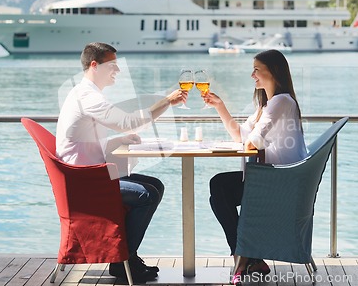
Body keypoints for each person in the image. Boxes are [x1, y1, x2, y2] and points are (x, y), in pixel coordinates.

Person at [56, 42, 188, 283]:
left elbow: (84, 143)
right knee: (145, 195)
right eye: (113, 66)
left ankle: (126, 256)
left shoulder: (86, 93)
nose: (117, 70)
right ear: (94, 66)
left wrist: (119, 140)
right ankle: (122, 259)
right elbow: (128, 121)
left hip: (88, 173)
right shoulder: (88, 96)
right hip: (85, 181)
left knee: (155, 186)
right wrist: (166, 101)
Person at [201, 49, 307, 285]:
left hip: (279, 182)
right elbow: (241, 135)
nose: (252, 75)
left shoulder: (281, 101)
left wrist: (250, 137)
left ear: (274, 72)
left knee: (218, 186)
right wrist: (220, 106)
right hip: (273, 179)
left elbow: (253, 141)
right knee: (218, 191)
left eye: (257, 69)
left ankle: (244, 254)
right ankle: (249, 255)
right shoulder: (267, 105)